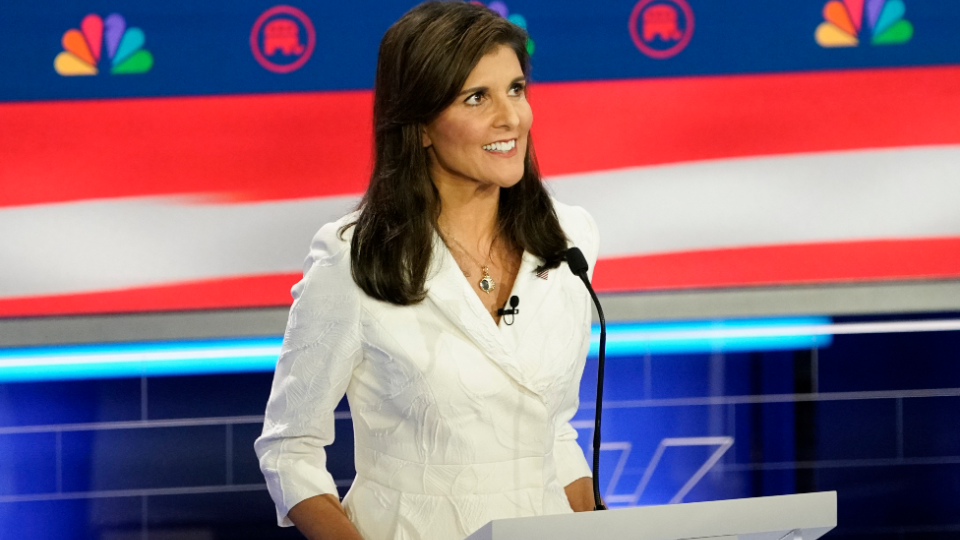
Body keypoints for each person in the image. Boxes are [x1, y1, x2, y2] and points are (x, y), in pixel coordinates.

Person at [255, 2, 600, 539]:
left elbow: (554, 431)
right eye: (476, 97)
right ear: (419, 127)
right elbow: (289, 448)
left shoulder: (569, 240)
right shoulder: (353, 259)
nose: (511, 117)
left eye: (515, 89)